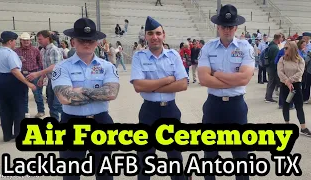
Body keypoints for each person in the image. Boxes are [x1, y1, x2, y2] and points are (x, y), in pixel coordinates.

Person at [52, 18, 120, 180]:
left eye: (91, 40)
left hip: (101, 121)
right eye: (82, 39)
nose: (87, 43)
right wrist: (98, 93)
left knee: (104, 172)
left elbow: (112, 93)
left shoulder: (107, 66)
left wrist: (80, 90)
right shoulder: (62, 67)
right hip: (71, 123)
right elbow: (64, 98)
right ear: (73, 42)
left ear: (96, 42)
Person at [198, 4, 254, 180]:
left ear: (236, 27)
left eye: (230, 27)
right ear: (218, 27)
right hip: (213, 105)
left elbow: (244, 78)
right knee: (210, 156)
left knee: (240, 156)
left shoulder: (246, 47)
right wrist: (231, 78)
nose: (227, 30)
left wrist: (217, 74)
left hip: (236, 106)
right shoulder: (208, 47)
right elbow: (204, 79)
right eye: (224, 26)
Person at [130, 16, 188, 180]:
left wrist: (152, 85)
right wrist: (168, 80)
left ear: (164, 35)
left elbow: (183, 84)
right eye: (150, 33)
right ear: (146, 36)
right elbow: (138, 86)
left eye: (158, 33)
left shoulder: (173, 55)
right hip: (149, 111)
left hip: (170, 109)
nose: (154, 37)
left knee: (175, 156)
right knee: (144, 157)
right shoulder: (139, 56)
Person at [0, 31, 36, 142]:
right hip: (13, 80)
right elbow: (15, 70)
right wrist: (28, 83)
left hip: (0, 80)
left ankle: (7, 135)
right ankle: (19, 134)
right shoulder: (11, 53)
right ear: (10, 41)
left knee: (4, 108)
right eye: (14, 41)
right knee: (19, 108)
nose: (15, 43)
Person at [26, 30, 63, 121]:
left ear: (47, 38)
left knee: (57, 105)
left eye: (40, 39)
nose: (39, 41)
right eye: (38, 39)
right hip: (51, 80)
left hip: (59, 80)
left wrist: (38, 74)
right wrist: (42, 77)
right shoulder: (43, 51)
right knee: (50, 103)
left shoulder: (54, 50)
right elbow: (46, 66)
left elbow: (54, 66)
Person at [277, 41, 311, 136]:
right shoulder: (282, 59)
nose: (284, 50)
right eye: (284, 48)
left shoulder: (300, 60)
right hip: (284, 85)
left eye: (286, 48)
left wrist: (290, 80)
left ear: (292, 49)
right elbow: (280, 72)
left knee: (299, 106)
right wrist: (287, 82)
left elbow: (300, 72)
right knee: (286, 105)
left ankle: (303, 128)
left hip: (296, 85)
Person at [14, 32, 45, 118]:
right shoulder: (16, 51)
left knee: (37, 94)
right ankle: (25, 112)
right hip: (21, 74)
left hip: (34, 73)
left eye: (28, 40)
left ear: (30, 41)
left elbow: (40, 63)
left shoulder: (35, 50)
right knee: (23, 94)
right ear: (21, 41)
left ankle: (41, 111)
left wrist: (41, 75)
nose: (26, 42)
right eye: (24, 40)